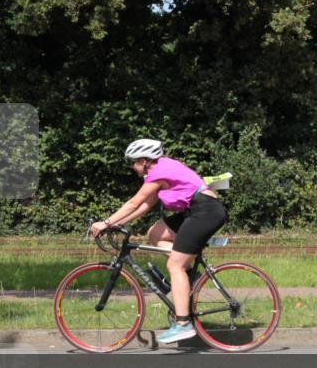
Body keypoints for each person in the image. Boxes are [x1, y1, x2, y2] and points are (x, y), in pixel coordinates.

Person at [90, 139, 228, 344]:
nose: (132, 167)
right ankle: (190, 277)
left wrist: (106, 222)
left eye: (134, 162)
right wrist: (113, 225)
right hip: (195, 210)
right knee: (155, 233)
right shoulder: (161, 170)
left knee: (174, 265)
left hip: (205, 211)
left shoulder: (159, 172)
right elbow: (143, 207)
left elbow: (133, 203)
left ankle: (183, 324)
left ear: (145, 161)